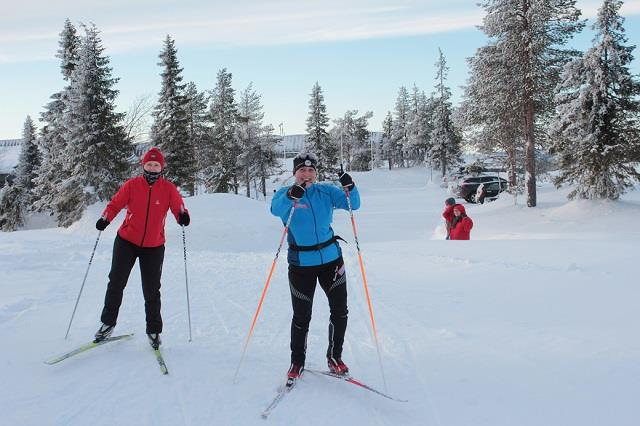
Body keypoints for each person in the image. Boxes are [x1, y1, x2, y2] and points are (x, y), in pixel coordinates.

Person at [270, 152, 360, 380]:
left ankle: (334, 357)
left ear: (315, 173)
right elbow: (275, 209)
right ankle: (297, 362)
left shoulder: (325, 191)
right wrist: (292, 196)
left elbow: (353, 204)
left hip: (331, 260)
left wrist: (350, 185)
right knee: (302, 315)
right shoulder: (284, 193)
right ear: (295, 173)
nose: (307, 174)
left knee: (340, 311)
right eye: (302, 170)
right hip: (301, 264)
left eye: (311, 171)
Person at [93, 147, 190, 349]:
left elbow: (178, 206)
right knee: (116, 282)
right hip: (126, 241)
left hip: (154, 246)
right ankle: (107, 323)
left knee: (152, 289)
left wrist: (182, 215)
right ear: (143, 165)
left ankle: (154, 330)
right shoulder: (132, 185)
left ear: (161, 168)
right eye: (149, 164)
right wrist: (105, 219)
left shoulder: (168, 188)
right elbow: (115, 204)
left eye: (156, 165)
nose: (152, 167)